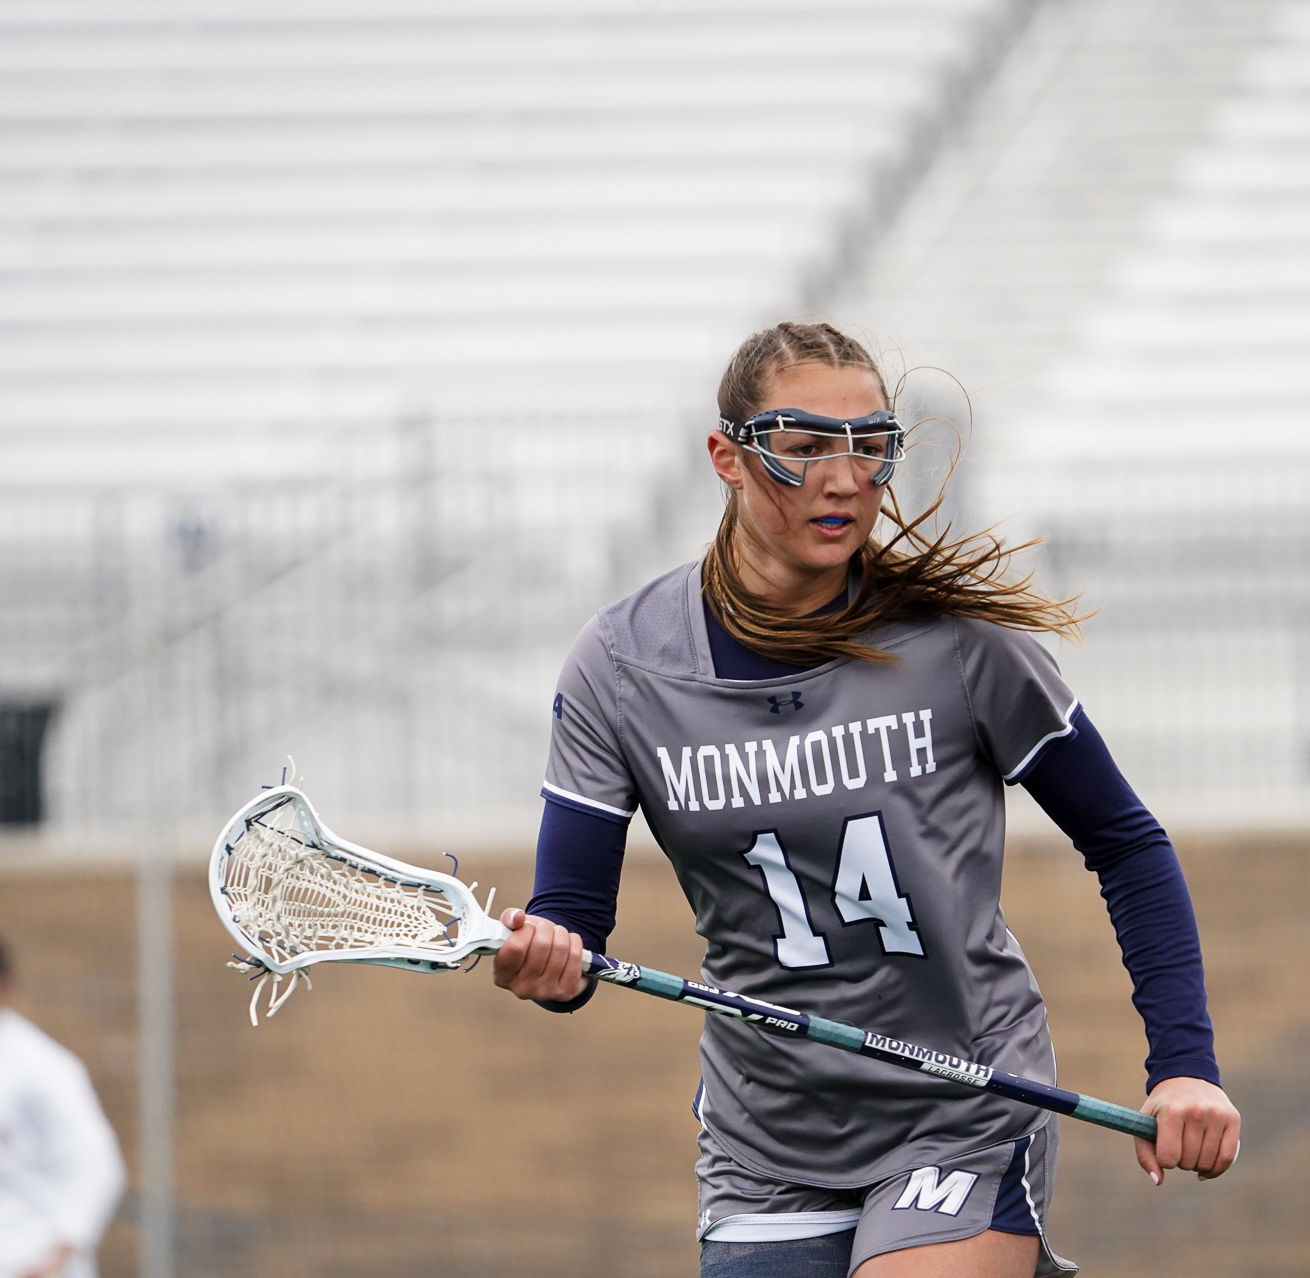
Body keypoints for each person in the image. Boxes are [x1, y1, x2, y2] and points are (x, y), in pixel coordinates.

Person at [492, 321, 1239, 1277]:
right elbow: (573, 926)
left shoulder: (963, 650)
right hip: (767, 1145)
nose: (845, 480)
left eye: (871, 446)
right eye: (802, 447)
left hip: (960, 1109)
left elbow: (1127, 844)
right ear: (726, 457)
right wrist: (550, 958)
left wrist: (1184, 1065)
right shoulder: (622, 666)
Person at [0, 924, 124, 1278]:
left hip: (27, 1262)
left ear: (4, 981)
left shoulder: (42, 1066)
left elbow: (97, 1166)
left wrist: (59, 1256)